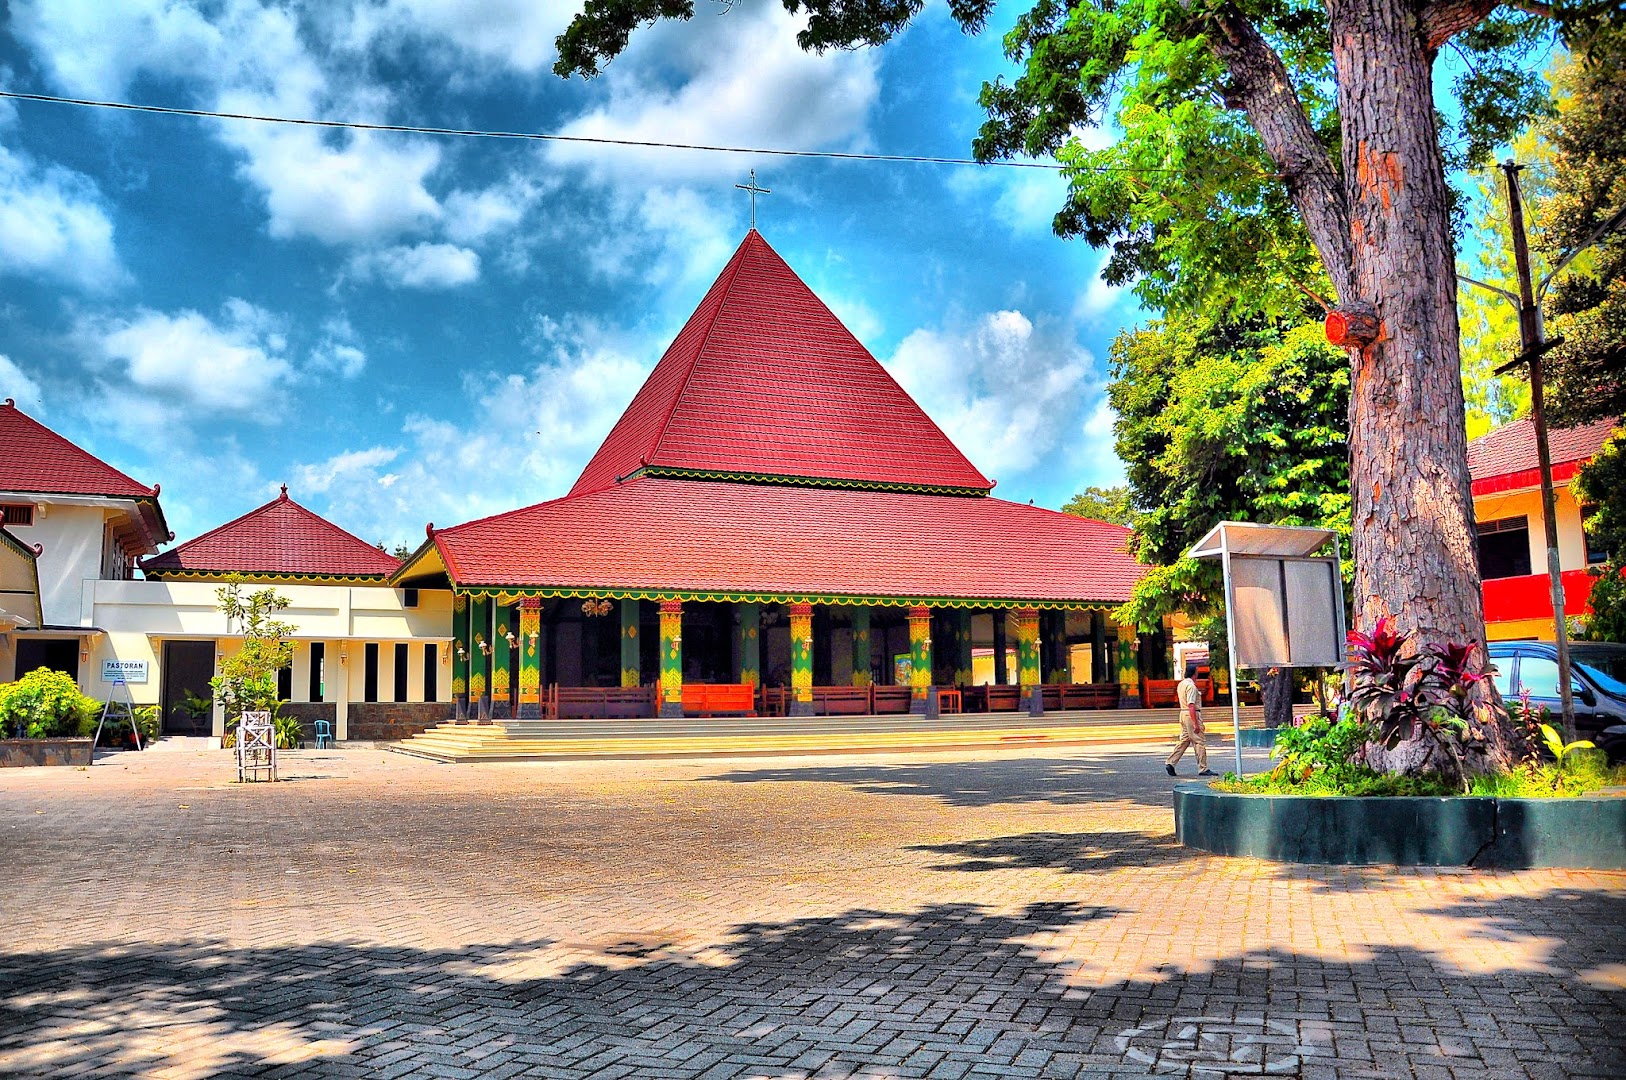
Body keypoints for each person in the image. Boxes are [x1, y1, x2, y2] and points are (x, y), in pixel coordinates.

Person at [1166, 667, 1215, 777]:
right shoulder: (1191, 686)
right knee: (1199, 741)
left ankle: (1171, 762)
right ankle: (1203, 768)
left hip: (1183, 713)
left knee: (1184, 740)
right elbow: (1191, 704)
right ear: (1195, 674)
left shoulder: (1181, 684)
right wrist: (1195, 723)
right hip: (1191, 714)